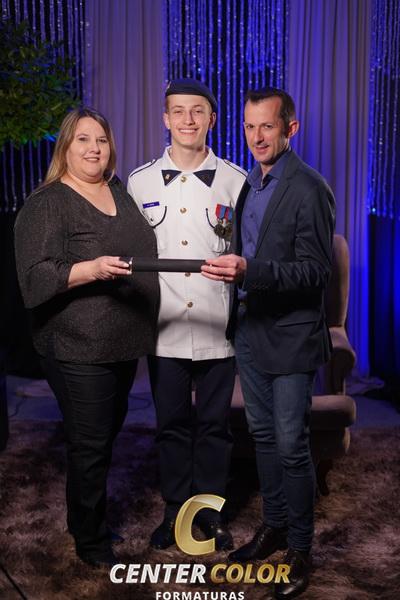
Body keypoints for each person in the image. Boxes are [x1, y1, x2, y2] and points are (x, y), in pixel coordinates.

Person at [201, 87, 335, 599]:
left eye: (268, 126)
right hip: (251, 331)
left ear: (290, 129)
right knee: (261, 439)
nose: (256, 137)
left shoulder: (310, 188)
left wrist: (251, 270)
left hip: (292, 338)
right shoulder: (249, 184)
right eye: (249, 126)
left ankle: (300, 548)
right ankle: (274, 526)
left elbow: (316, 271)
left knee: (291, 445)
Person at [14, 107, 159, 568]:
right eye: (83, 139)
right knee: (90, 444)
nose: (94, 148)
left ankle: (84, 521)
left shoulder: (117, 191)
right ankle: (91, 541)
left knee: (104, 436)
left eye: (101, 139)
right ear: (66, 147)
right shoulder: (48, 202)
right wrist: (90, 269)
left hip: (121, 341)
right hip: (77, 344)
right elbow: (35, 278)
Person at [127, 78, 246, 550]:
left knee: (215, 428)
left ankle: (210, 514)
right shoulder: (139, 181)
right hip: (166, 328)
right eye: (178, 111)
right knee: (171, 427)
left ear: (211, 119)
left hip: (218, 327)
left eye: (197, 111)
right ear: (165, 118)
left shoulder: (236, 180)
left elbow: (247, 252)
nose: (188, 120)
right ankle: (175, 511)